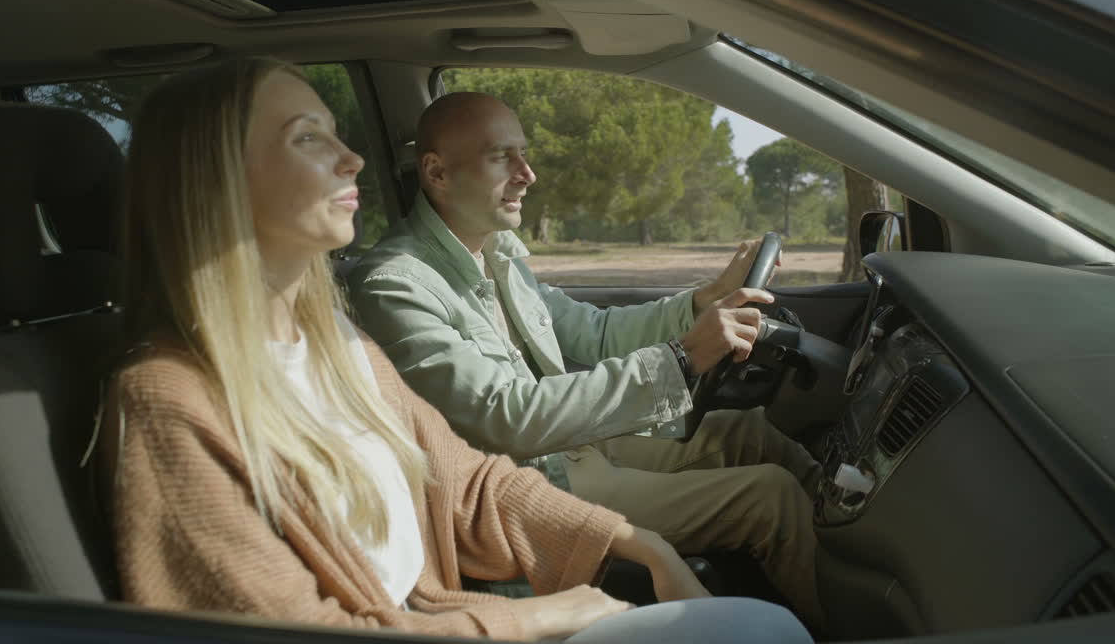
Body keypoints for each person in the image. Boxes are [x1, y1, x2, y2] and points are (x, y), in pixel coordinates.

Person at [98, 57, 812, 643]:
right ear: (219, 179)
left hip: (455, 608)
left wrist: (636, 543)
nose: (352, 159)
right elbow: (299, 629)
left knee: (764, 623)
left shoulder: (340, 349)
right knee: (766, 626)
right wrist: (531, 617)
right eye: (307, 138)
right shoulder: (168, 401)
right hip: (466, 616)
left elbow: (472, 484)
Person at [348, 92, 825, 628]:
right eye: (501, 157)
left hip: (569, 451)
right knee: (771, 497)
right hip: (528, 486)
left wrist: (703, 300)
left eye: (524, 153)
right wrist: (684, 357)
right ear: (436, 172)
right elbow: (507, 418)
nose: (527, 173)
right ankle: (852, 629)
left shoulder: (496, 256)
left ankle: (850, 544)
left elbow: (594, 332)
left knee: (749, 433)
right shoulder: (395, 286)